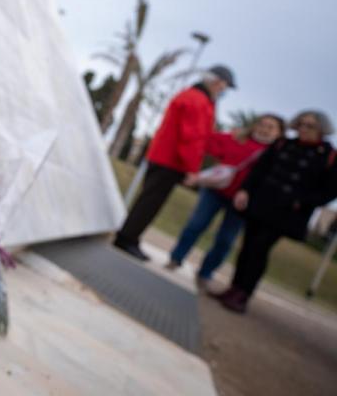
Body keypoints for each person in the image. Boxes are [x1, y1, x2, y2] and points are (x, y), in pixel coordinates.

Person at [215, 110, 337, 313]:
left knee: (260, 248)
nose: (304, 129)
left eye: (310, 126)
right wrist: (245, 190)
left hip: (287, 213)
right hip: (261, 203)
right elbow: (259, 170)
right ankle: (234, 287)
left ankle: (244, 293)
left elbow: (329, 190)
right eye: (301, 124)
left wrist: (302, 202)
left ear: (321, 129)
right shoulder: (283, 144)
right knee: (247, 247)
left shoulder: (328, 156)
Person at [113, 65, 236, 261]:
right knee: (150, 202)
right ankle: (126, 238)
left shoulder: (197, 98)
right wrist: (192, 170)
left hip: (167, 159)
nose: (223, 91)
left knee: (151, 201)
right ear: (217, 82)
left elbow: (203, 136)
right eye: (224, 87)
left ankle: (130, 236)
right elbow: (191, 138)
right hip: (169, 161)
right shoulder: (197, 101)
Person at [166, 114, 285, 289]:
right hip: (215, 191)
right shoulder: (238, 138)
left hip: (242, 202)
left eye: (270, 127)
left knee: (226, 240)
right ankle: (176, 258)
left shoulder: (278, 153)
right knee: (196, 224)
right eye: (262, 124)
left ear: (279, 132)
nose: (264, 129)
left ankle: (206, 272)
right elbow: (209, 141)